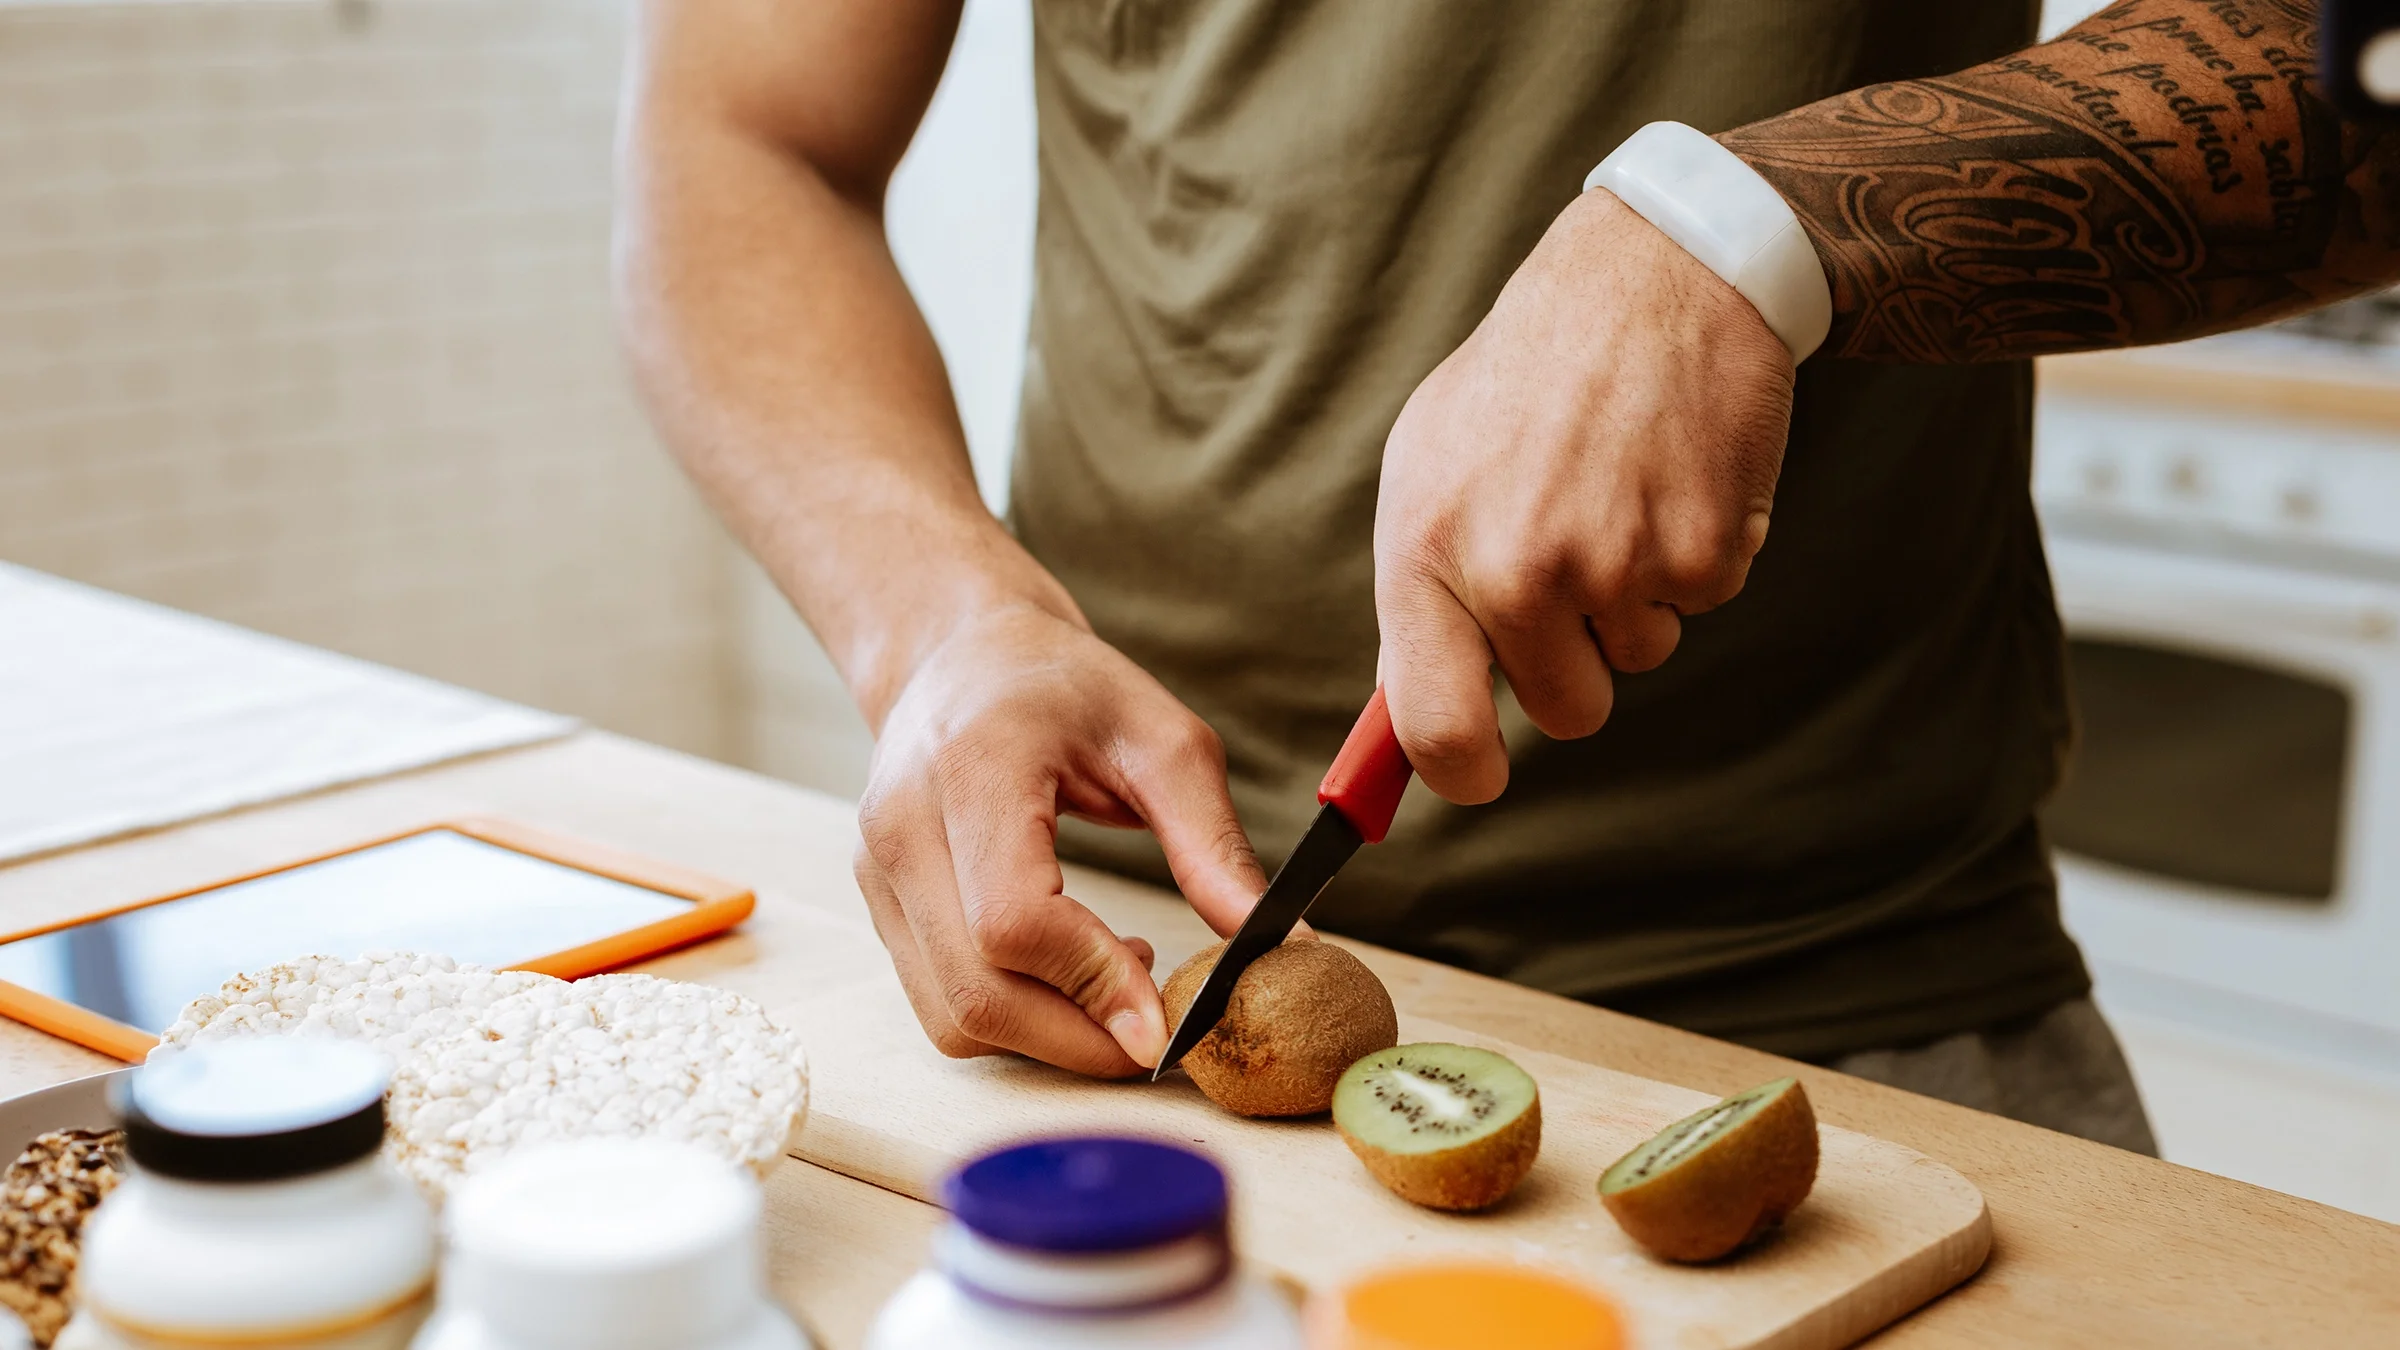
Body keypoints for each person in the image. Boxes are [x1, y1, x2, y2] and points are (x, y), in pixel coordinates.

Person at [616, 0, 2398, 1152]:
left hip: (1851, 1028)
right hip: (1116, 984)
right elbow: (744, 139)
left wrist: (1755, 230)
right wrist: (942, 617)